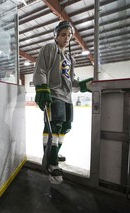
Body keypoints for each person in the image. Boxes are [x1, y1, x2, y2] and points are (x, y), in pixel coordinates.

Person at [33, 21, 92, 184]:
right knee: (54, 124)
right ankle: (51, 163)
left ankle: (54, 152)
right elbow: (41, 70)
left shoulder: (70, 59)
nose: (67, 38)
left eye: (69, 35)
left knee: (66, 126)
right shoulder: (50, 48)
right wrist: (42, 87)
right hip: (53, 95)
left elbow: (70, 81)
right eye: (63, 34)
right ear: (56, 36)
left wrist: (81, 85)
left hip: (67, 97)